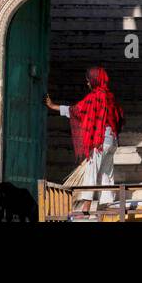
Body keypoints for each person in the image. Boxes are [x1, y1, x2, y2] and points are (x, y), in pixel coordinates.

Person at [44, 66, 124, 213]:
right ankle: (107, 204)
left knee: (91, 172)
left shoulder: (95, 96)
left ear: (94, 80)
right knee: (106, 173)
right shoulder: (110, 96)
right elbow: (119, 116)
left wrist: (53, 106)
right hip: (112, 142)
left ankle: (86, 206)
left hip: (100, 141)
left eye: (88, 80)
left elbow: (77, 110)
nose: (87, 83)